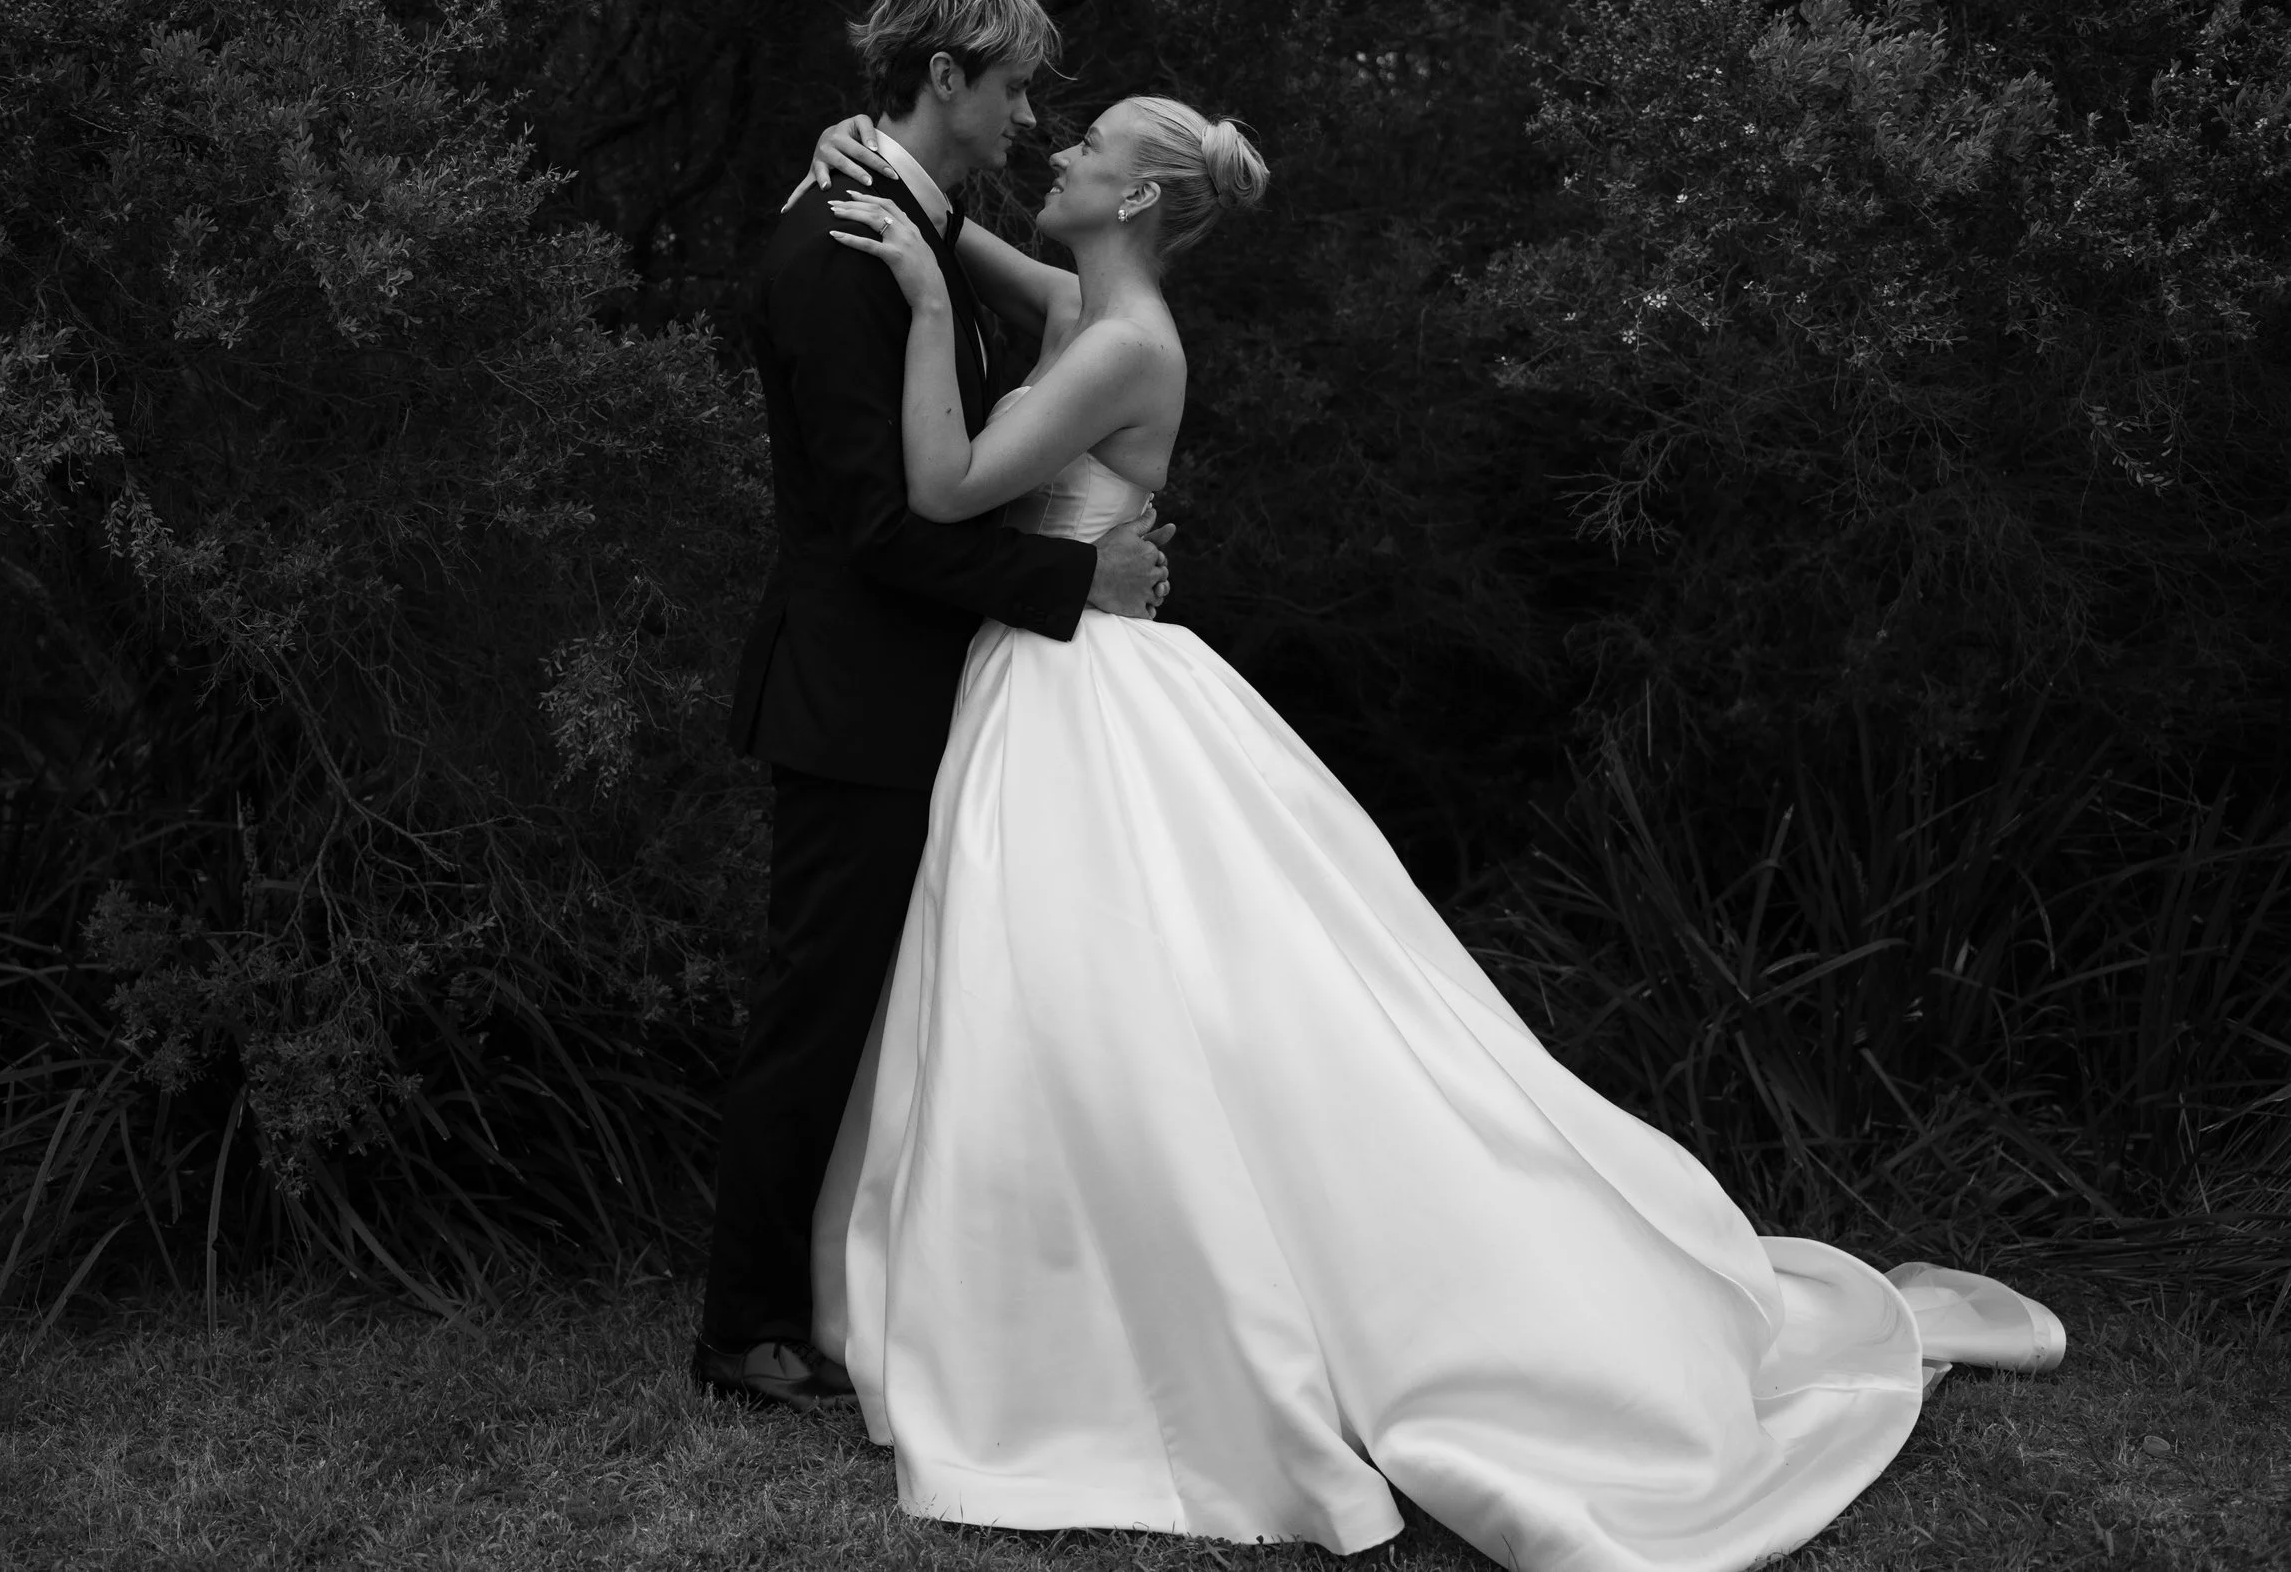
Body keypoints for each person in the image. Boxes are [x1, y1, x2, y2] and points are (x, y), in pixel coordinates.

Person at [791, 97, 2069, 1568]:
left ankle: (1145, 1310)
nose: (1059, 155)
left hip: (1082, 687)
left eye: (1088, 149)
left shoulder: (1122, 342)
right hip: (1063, 672)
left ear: (1134, 199)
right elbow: (994, 253)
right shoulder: (1091, 303)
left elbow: (948, 486)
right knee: (1068, 998)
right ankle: (1043, 1280)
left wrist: (916, 301)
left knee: (1122, 992)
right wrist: (896, 184)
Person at [697, 0, 1174, 1410]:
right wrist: (1073, 582)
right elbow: (881, 529)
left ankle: (882, 1286)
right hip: (854, 699)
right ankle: (744, 1324)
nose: (1031, 117)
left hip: (924, 694)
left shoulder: (900, 223)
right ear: (946, 77)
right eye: (1015, 86)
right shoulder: (842, 251)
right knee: (817, 1009)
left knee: (907, 1017)